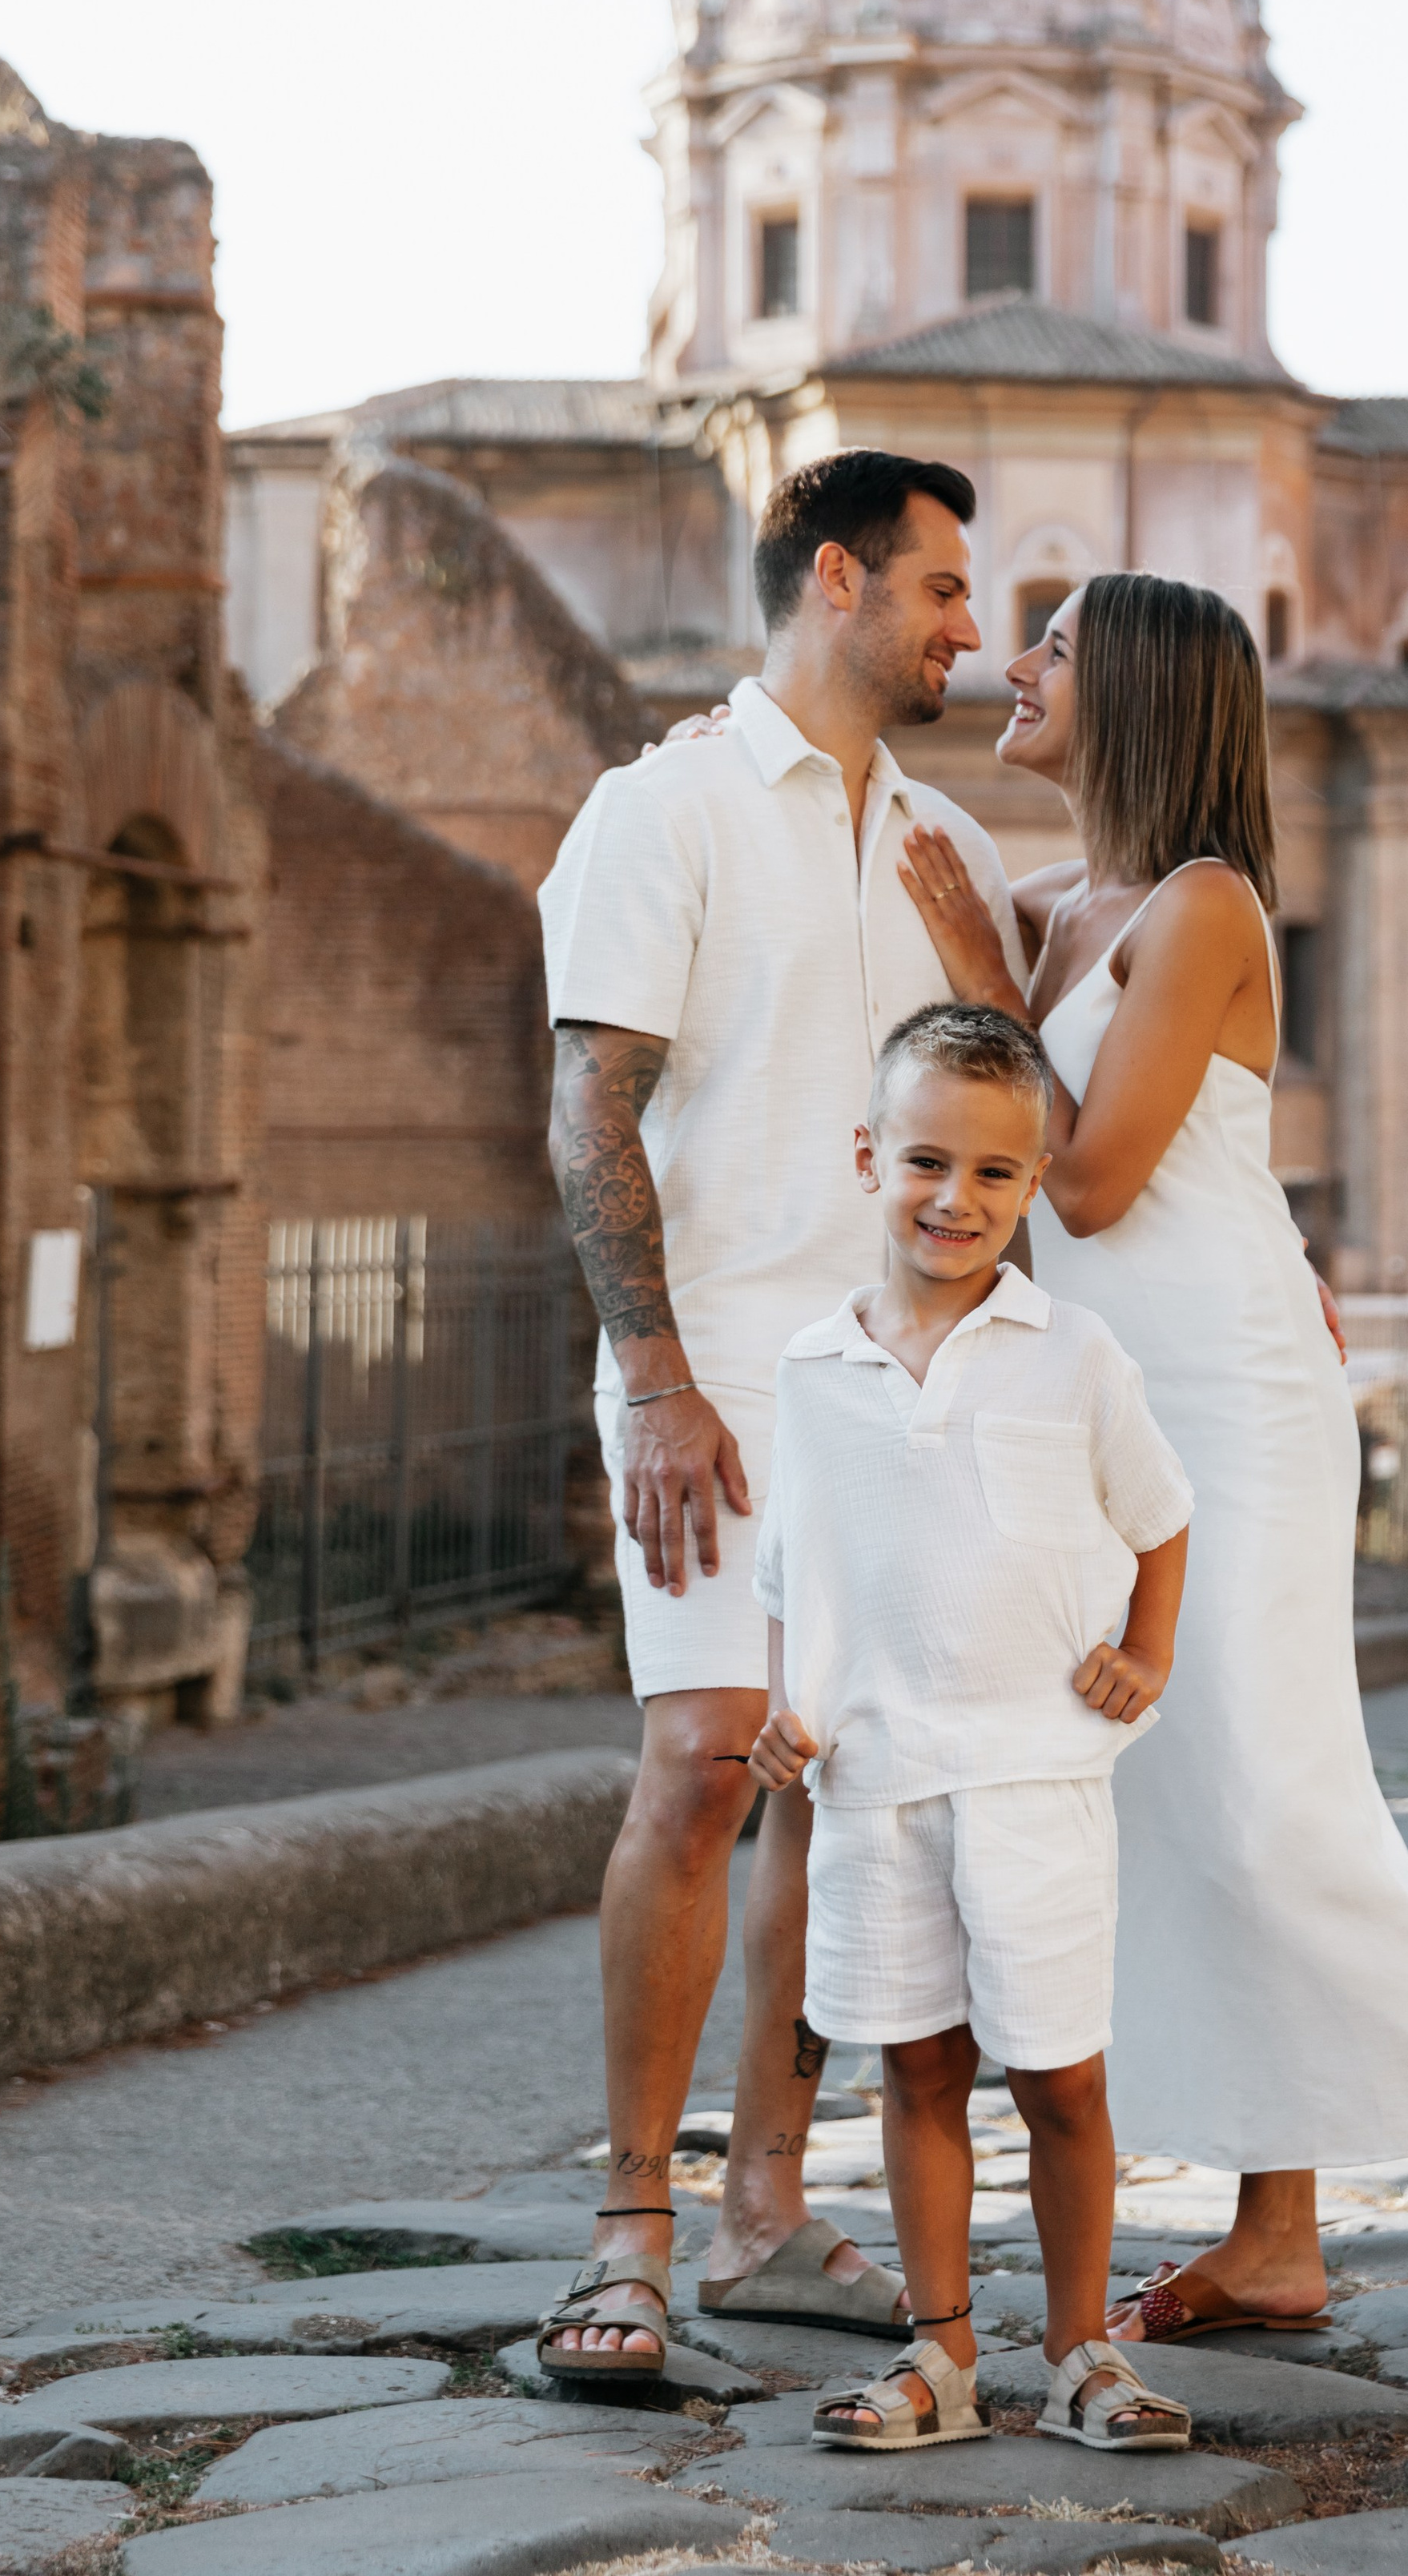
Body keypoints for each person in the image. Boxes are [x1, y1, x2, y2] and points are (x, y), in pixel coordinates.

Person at [895, 570, 1408, 2411]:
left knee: (1280, 1805)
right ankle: (1273, 2230)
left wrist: (977, 984)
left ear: (1130, 693)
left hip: (1227, 1391)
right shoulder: (1053, 906)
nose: (1012, 667)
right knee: (1177, 1809)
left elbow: (1101, 1178)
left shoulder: (1202, 907)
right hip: (1108, 1405)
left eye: (1049, 650)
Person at [533, 449, 1027, 2377]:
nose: (965, 628)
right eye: (940, 590)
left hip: (897, 1382)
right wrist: (649, 1375)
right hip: (716, 1368)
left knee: (823, 1782)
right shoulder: (657, 809)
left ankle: (761, 2203)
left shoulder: (945, 846)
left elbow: (1033, 1108)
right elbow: (590, 1107)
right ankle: (627, 2231)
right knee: (701, 1755)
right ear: (836, 579)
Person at [748, 1000, 1197, 2455]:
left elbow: (1163, 1515)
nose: (958, 1199)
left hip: (1035, 1773)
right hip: (875, 1785)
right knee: (915, 2063)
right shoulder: (810, 1371)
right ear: (870, 1154)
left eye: (998, 1174)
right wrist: (781, 1709)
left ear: (1036, 1175)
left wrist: (1147, 1648)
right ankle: (938, 2354)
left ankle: (1083, 2350)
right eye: (928, 1162)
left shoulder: (1072, 1355)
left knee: (1060, 2072)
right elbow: (788, 1574)